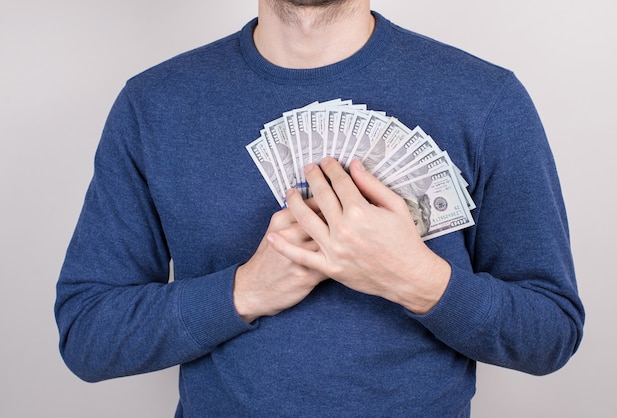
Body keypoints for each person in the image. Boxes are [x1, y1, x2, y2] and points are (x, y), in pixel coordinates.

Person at [54, 0, 585, 416]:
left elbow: (551, 333)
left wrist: (415, 278)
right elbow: (88, 333)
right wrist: (245, 292)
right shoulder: (152, 105)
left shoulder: (488, 99)